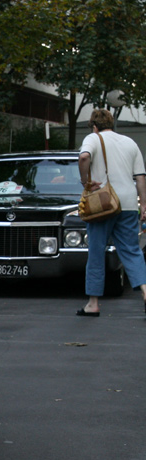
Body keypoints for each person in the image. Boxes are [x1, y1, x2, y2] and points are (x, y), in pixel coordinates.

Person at [76, 108, 146, 317]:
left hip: (103, 204)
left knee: (96, 252)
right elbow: (141, 177)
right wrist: (144, 205)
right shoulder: (130, 143)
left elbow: (84, 157)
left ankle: (93, 303)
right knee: (132, 251)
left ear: (95, 126)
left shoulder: (93, 138)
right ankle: (145, 292)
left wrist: (85, 181)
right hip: (127, 204)